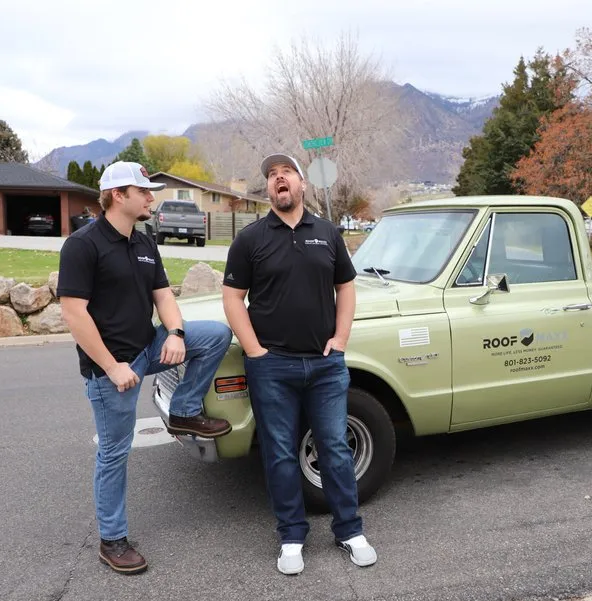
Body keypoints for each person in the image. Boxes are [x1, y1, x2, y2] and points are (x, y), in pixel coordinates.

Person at [57, 161, 234, 575]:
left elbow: (163, 295)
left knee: (213, 335)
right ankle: (112, 540)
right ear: (118, 195)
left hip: (148, 345)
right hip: (111, 368)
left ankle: (184, 411)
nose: (151, 198)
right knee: (115, 454)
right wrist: (112, 367)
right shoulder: (83, 245)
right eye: (144, 192)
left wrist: (174, 332)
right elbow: (74, 314)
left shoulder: (143, 241)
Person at [221, 152, 376, 575]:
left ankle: (349, 530)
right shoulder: (250, 239)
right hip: (272, 367)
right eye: (271, 175)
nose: (278, 179)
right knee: (280, 455)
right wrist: (253, 349)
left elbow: (346, 287)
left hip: (325, 366)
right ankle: (291, 536)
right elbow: (232, 298)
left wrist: (340, 339)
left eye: (286, 172)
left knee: (336, 450)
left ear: (302, 184)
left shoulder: (327, 234)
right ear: (269, 189)